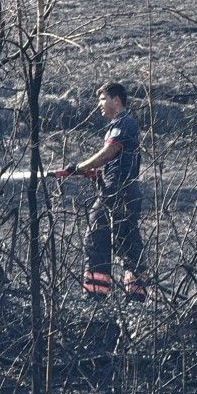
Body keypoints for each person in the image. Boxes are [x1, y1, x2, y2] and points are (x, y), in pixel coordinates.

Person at [51, 81, 147, 301]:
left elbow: (109, 152)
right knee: (127, 239)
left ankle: (96, 295)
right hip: (129, 190)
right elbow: (118, 160)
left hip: (117, 190)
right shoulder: (123, 124)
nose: (99, 105)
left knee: (95, 235)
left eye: (102, 99)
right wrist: (96, 174)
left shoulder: (123, 123)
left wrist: (81, 167)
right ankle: (137, 294)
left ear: (116, 100)